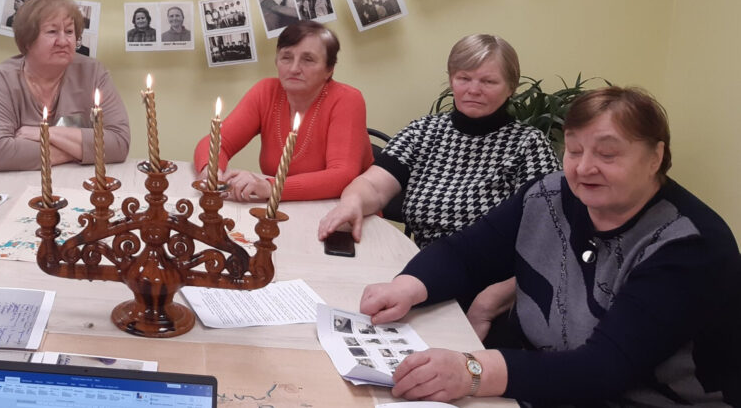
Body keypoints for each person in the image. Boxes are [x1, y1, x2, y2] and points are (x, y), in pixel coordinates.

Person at [358, 88, 741, 406]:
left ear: (655, 157)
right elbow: (467, 253)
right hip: (539, 378)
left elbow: (602, 370)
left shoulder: (690, 247)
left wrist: (471, 371)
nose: (584, 168)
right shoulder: (549, 194)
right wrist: (406, 286)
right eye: (574, 150)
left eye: (607, 154)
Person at [317, 34, 558, 248]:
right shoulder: (423, 131)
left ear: (511, 88)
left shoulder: (529, 145)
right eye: (464, 78)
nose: (474, 90)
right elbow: (372, 185)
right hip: (425, 265)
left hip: (495, 276)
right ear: (451, 80)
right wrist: (352, 203)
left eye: (488, 82)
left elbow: (546, 230)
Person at [193, 21, 371, 202]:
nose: (294, 69)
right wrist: (212, 171)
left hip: (341, 210)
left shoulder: (347, 99)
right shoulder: (266, 92)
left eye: (308, 59)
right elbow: (215, 143)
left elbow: (342, 175)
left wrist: (270, 187)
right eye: (286, 57)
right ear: (276, 61)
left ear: (329, 69)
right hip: (280, 208)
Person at [0, 0, 129, 171]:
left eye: (69, 32)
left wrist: (45, 133)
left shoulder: (93, 72)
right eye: (52, 32)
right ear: (27, 40)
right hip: (11, 186)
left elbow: (119, 143)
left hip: (74, 185)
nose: (63, 41)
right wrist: (81, 150)